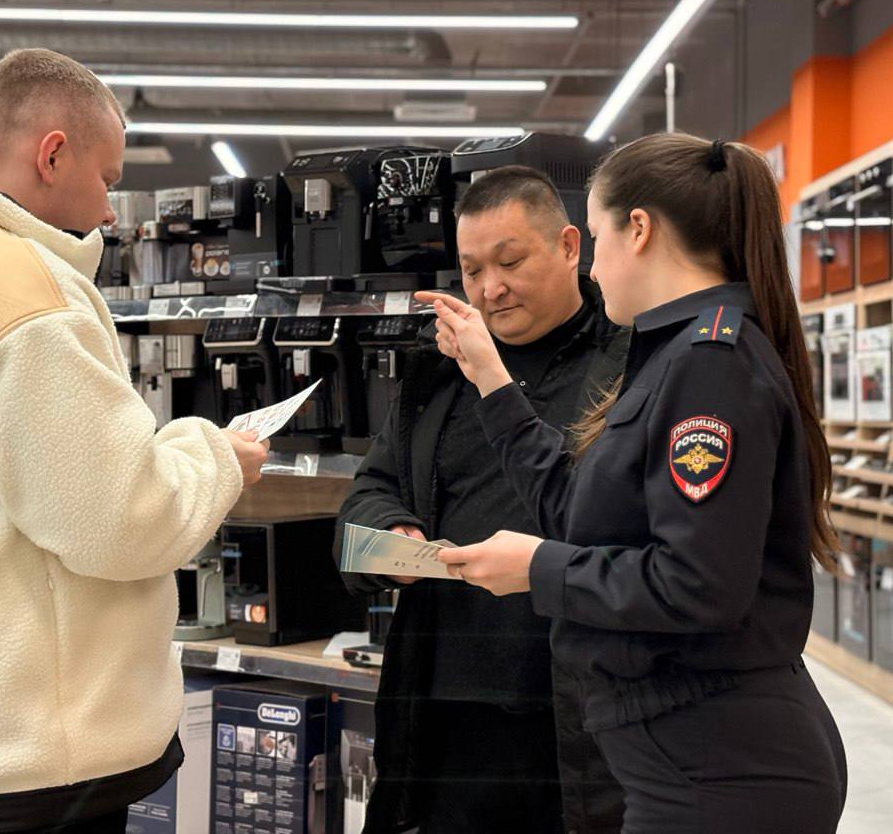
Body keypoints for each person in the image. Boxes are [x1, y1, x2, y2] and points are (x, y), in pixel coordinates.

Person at [0, 48, 268, 834]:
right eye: (107, 177)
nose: (108, 211)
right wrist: (215, 458)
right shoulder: (23, 290)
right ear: (52, 154)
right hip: (27, 763)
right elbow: (122, 522)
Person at [422, 134, 848, 834]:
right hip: (689, 756)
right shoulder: (675, 356)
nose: (592, 265)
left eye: (594, 237)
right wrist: (491, 380)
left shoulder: (712, 364)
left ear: (639, 230)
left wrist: (538, 569)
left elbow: (699, 584)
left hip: (721, 766)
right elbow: (578, 512)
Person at [335, 166, 625, 834]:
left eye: (511, 261)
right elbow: (369, 493)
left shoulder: (625, 368)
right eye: (470, 271)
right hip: (439, 714)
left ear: (571, 247)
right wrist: (393, 539)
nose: (490, 289)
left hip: (572, 717)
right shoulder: (437, 374)